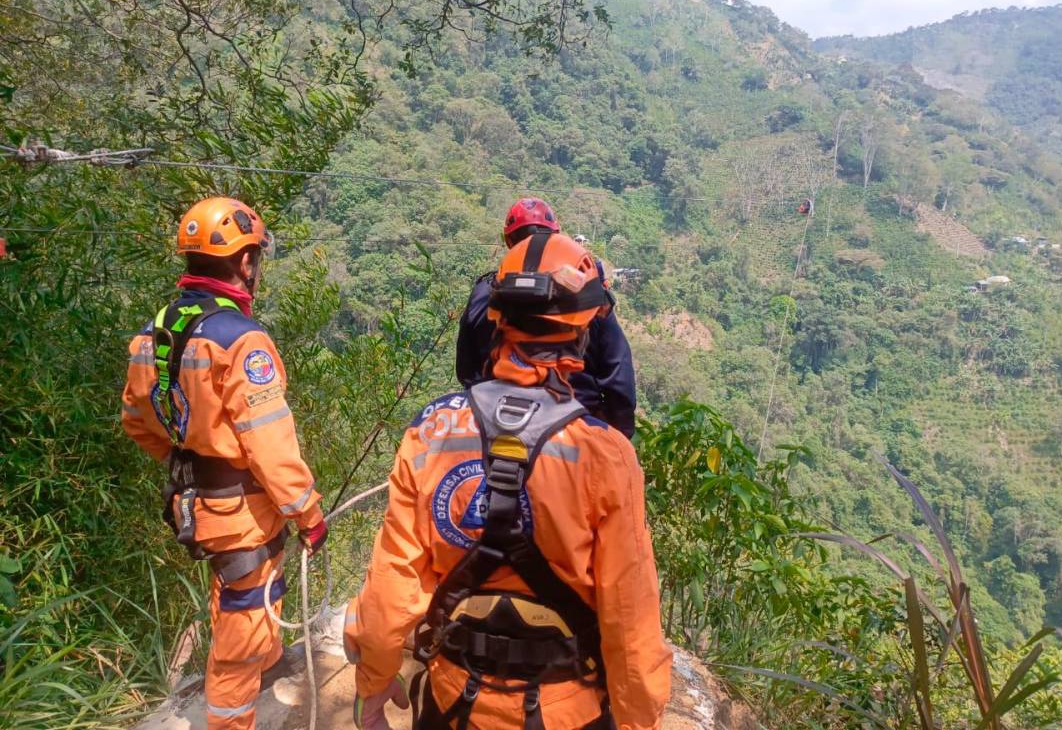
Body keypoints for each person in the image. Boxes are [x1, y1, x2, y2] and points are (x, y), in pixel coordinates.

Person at [345, 232, 670, 730]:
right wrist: (638, 722)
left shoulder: (431, 432)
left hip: (453, 701)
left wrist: (373, 684)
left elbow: (393, 587)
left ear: (497, 321)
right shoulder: (605, 455)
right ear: (584, 331)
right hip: (566, 711)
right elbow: (630, 621)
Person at [121, 196, 328, 730]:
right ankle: (232, 718)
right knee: (244, 623)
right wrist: (307, 513)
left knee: (237, 592)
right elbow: (270, 445)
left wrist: (187, 461)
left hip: (194, 501)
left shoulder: (154, 332)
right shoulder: (240, 341)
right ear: (245, 261)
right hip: (240, 510)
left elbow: (136, 420)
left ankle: (260, 676)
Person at [456, 197, 638, 437]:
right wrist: (611, 439)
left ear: (509, 240)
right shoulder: (585, 293)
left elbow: (467, 372)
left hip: (495, 421)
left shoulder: (488, 293)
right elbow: (619, 380)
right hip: (579, 427)